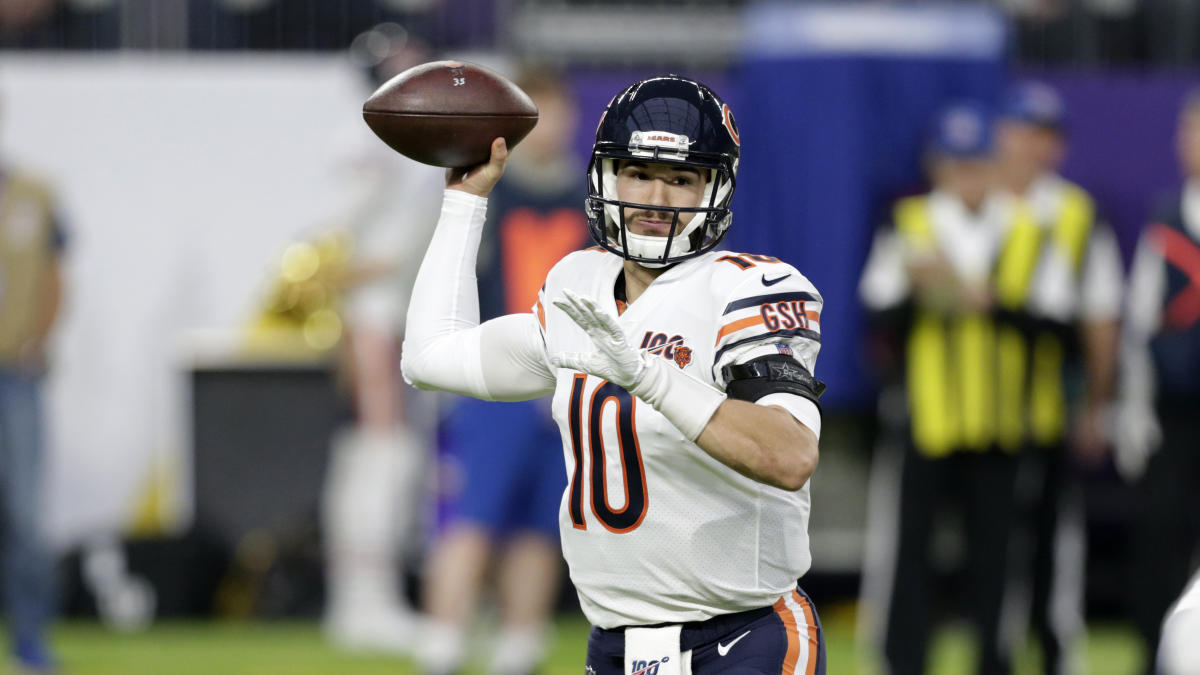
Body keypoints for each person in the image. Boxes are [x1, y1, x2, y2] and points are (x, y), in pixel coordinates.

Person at [401, 75, 827, 673]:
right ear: (605, 177)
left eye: (681, 179)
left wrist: (648, 377)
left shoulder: (749, 288)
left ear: (717, 190)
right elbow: (430, 357)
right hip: (616, 647)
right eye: (639, 173)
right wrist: (465, 201)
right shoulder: (579, 284)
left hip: (742, 635)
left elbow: (789, 455)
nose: (657, 197)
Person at [415, 68, 585, 675]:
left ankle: (519, 639)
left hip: (564, 381)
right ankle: (442, 637)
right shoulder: (487, 192)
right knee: (474, 515)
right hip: (494, 378)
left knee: (543, 522)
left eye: (558, 112)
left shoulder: (589, 199)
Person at [859, 102, 1032, 675]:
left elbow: (1059, 319)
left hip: (1001, 415)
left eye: (975, 163)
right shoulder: (910, 222)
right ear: (937, 166)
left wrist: (989, 302)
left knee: (996, 554)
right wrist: (927, 294)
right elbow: (878, 308)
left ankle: (993, 659)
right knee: (912, 550)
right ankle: (903, 660)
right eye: (955, 164)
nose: (966, 177)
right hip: (926, 413)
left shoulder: (1023, 223)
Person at [320, 23, 444, 654]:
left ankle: (370, 598)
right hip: (376, 311)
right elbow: (337, 239)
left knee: (398, 454)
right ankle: (364, 602)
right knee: (383, 451)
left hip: (399, 309)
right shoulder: (372, 136)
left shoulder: (410, 138)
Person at [993, 82, 1122, 674]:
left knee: (1052, 550)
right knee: (989, 550)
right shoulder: (975, 198)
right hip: (972, 412)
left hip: (1045, 404)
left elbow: (1100, 319)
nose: (1031, 147)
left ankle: (1054, 657)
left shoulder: (1074, 212)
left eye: (1045, 136)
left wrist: (1097, 405)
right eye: (1023, 131)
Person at [1116, 90, 1200, 675]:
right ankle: (1157, 659)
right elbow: (1139, 324)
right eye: (1188, 130)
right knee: (1161, 544)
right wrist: (1133, 409)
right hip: (1175, 417)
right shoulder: (1167, 222)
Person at [0, 153, 65, 671]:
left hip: (13, 375)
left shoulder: (34, 195)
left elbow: (54, 274)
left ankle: (29, 639)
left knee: (24, 516)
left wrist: (36, 343)